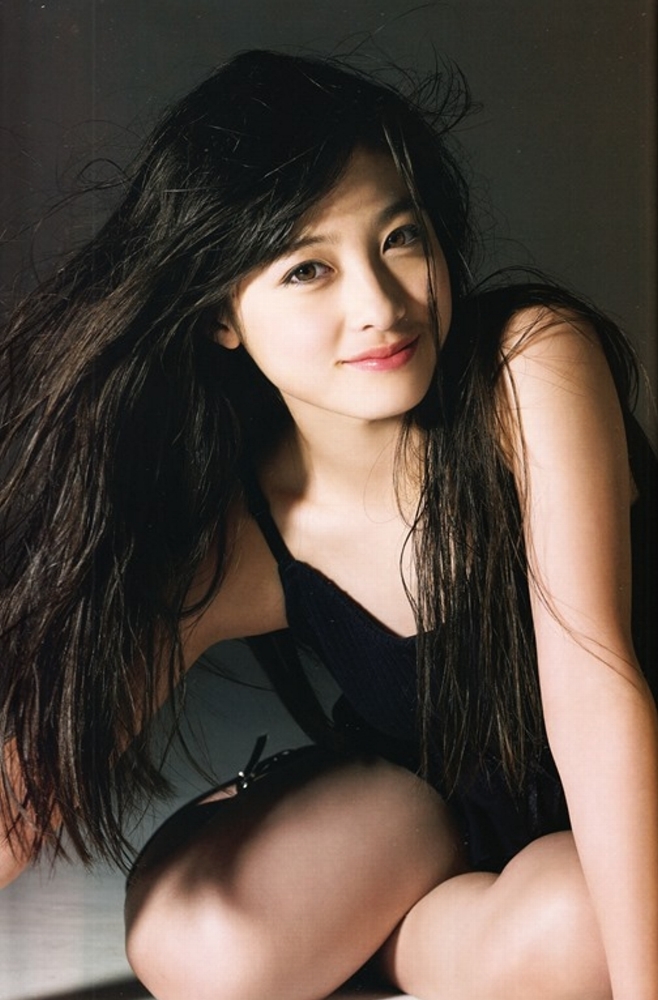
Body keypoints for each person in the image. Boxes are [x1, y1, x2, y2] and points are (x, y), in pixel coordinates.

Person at [1, 48, 656, 1000]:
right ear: (221, 317)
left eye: (400, 238)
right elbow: (38, 776)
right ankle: (416, 920)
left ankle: (389, 941)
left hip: (624, 796)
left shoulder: (528, 365)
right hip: (424, 807)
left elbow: (596, 687)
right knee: (199, 943)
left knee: (590, 935)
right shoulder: (245, 538)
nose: (380, 306)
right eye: (309, 268)